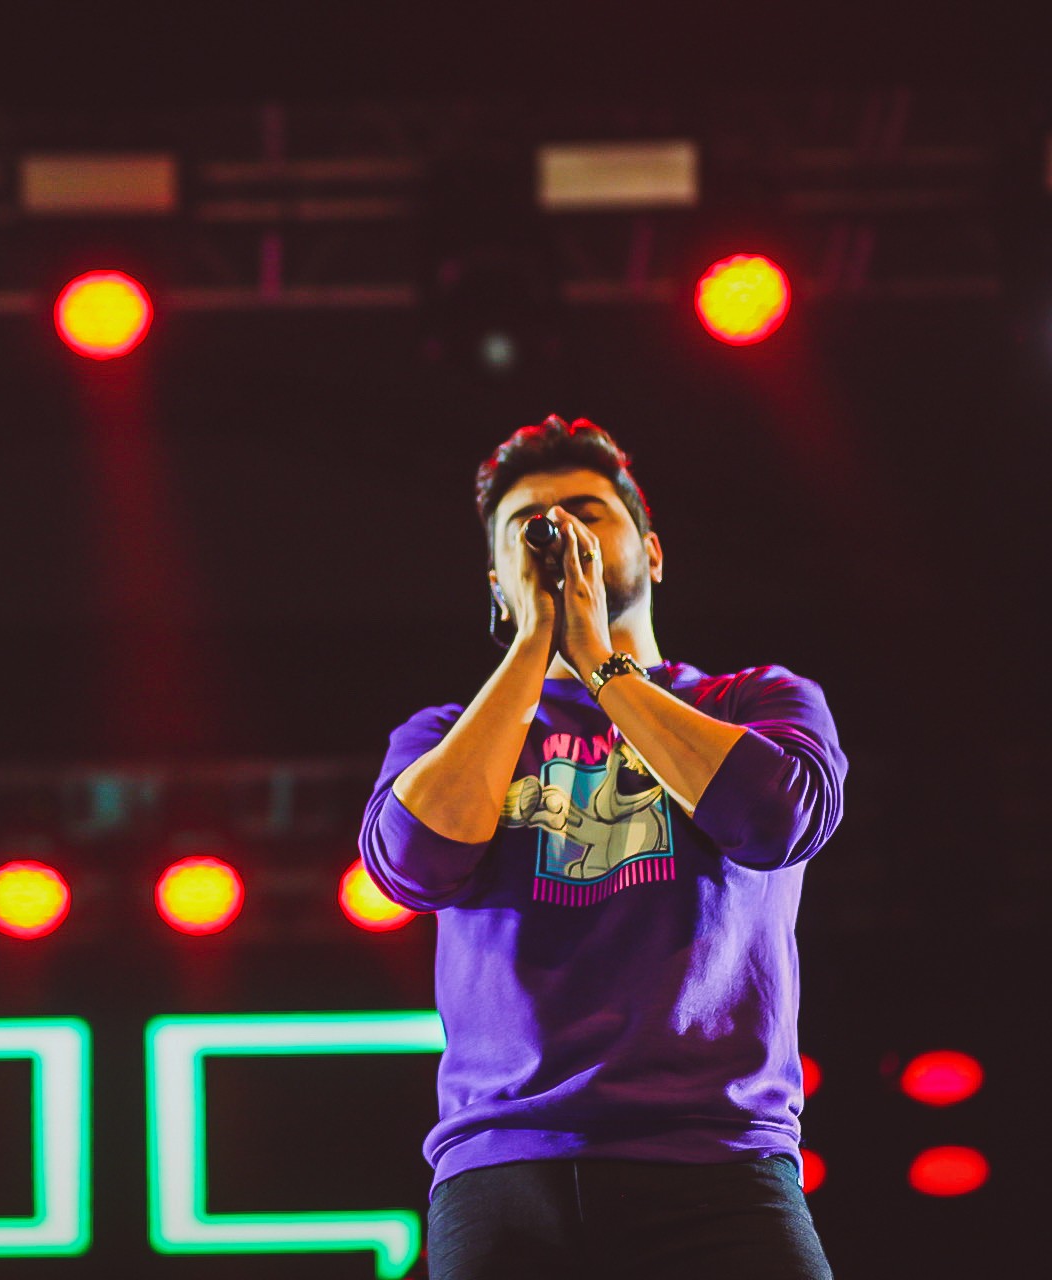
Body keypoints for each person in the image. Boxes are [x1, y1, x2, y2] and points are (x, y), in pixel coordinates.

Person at [359, 415, 843, 1279]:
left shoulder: (756, 699)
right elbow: (413, 864)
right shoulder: (441, 735)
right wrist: (537, 650)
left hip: (718, 1158)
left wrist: (602, 664)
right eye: (528, 529)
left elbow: (776, 821)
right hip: (504, 1167)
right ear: (496, 584)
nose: (559, 538)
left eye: (587, 512)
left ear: (651, 554)